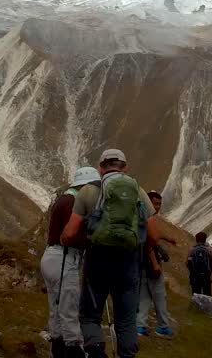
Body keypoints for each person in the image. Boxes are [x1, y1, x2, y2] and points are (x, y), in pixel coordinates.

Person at [61, 149, 159, 358]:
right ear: (125, 167)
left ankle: (96, 352)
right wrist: (142, 249)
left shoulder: (88, 191)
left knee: (89, 316)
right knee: (126, 320)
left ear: (101, 168)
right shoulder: (138, 192)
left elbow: (69, 235)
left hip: (97, 261)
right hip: (128, 263)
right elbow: (153, 235)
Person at [42, 166, 100, 358]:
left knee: (57, 308)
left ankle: (58, 349)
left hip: (54, 257)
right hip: (64, 257)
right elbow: (71, 235)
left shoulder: (65, 198)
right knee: (69, 308)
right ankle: (73, 349)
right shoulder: (73, 202)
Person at [136, 190, 178, 338]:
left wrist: (168, 239)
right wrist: (155, 264)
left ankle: (140, 326)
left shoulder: (140, 214)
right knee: (159, 295)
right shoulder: (148, 217)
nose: (158, 207)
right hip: (149, 263)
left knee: (144, 295)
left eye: (160, 204)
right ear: (149, 202)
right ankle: (163, 327)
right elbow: (150, 243)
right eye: (156, 203)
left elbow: (156, 235)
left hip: (139, 263)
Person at [186, 232, 212, 297]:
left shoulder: (192, 249)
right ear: (205, 240)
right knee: (207, 295)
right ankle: (207, 307)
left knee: (196, 296)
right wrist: (209, 271)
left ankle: (195, 307)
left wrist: (192, 271)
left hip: (195, 277)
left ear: (196, 239)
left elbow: (187, 263)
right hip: (206, 277)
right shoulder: (209, 250)